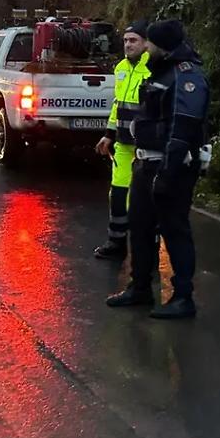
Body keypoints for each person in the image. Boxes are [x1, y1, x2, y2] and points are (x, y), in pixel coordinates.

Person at [107, 19, 209, 319]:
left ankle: (183, 296)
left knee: (174, 229)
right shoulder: (159, 72)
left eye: (149, 43)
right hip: (145, 162)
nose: (145, 47)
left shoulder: (186, 77)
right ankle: (139, 287)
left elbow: (182, 128)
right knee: (139, 227)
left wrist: (168, 171)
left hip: (170, 167)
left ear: (162, 46)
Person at [93, 20, 151, 261]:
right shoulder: (121, 68)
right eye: (126, 40)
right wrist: (109, 133)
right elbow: (118, 105)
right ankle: (116, 242)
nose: (128, 45)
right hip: (124, 144)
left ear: (146, 43)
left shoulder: (153, 69)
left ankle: (147, 250)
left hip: (147, 146)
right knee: (117, 194)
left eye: (133, 40)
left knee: (145, 198)